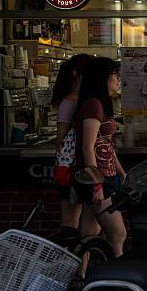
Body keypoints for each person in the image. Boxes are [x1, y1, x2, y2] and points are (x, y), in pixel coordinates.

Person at [73, 57, 127, 258]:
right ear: (103, 78)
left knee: (89, 232)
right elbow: (88, 147)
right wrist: (95, 185)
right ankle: (120, 277)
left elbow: (106, 144)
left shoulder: (101, 105)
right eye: (115, 75)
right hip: (97, 179)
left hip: (106, 177)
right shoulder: (93, 106)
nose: (118, 80)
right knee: (118, 234)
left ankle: (81, 276)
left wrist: (120, 171)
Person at [50, 53, 93, 229]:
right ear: (77, 75)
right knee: (71, 223)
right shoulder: (69, 103)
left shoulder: (83, 101)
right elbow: (61, 139)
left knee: (81, 219)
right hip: (70, 169)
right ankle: (68, 255)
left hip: (75, 167)